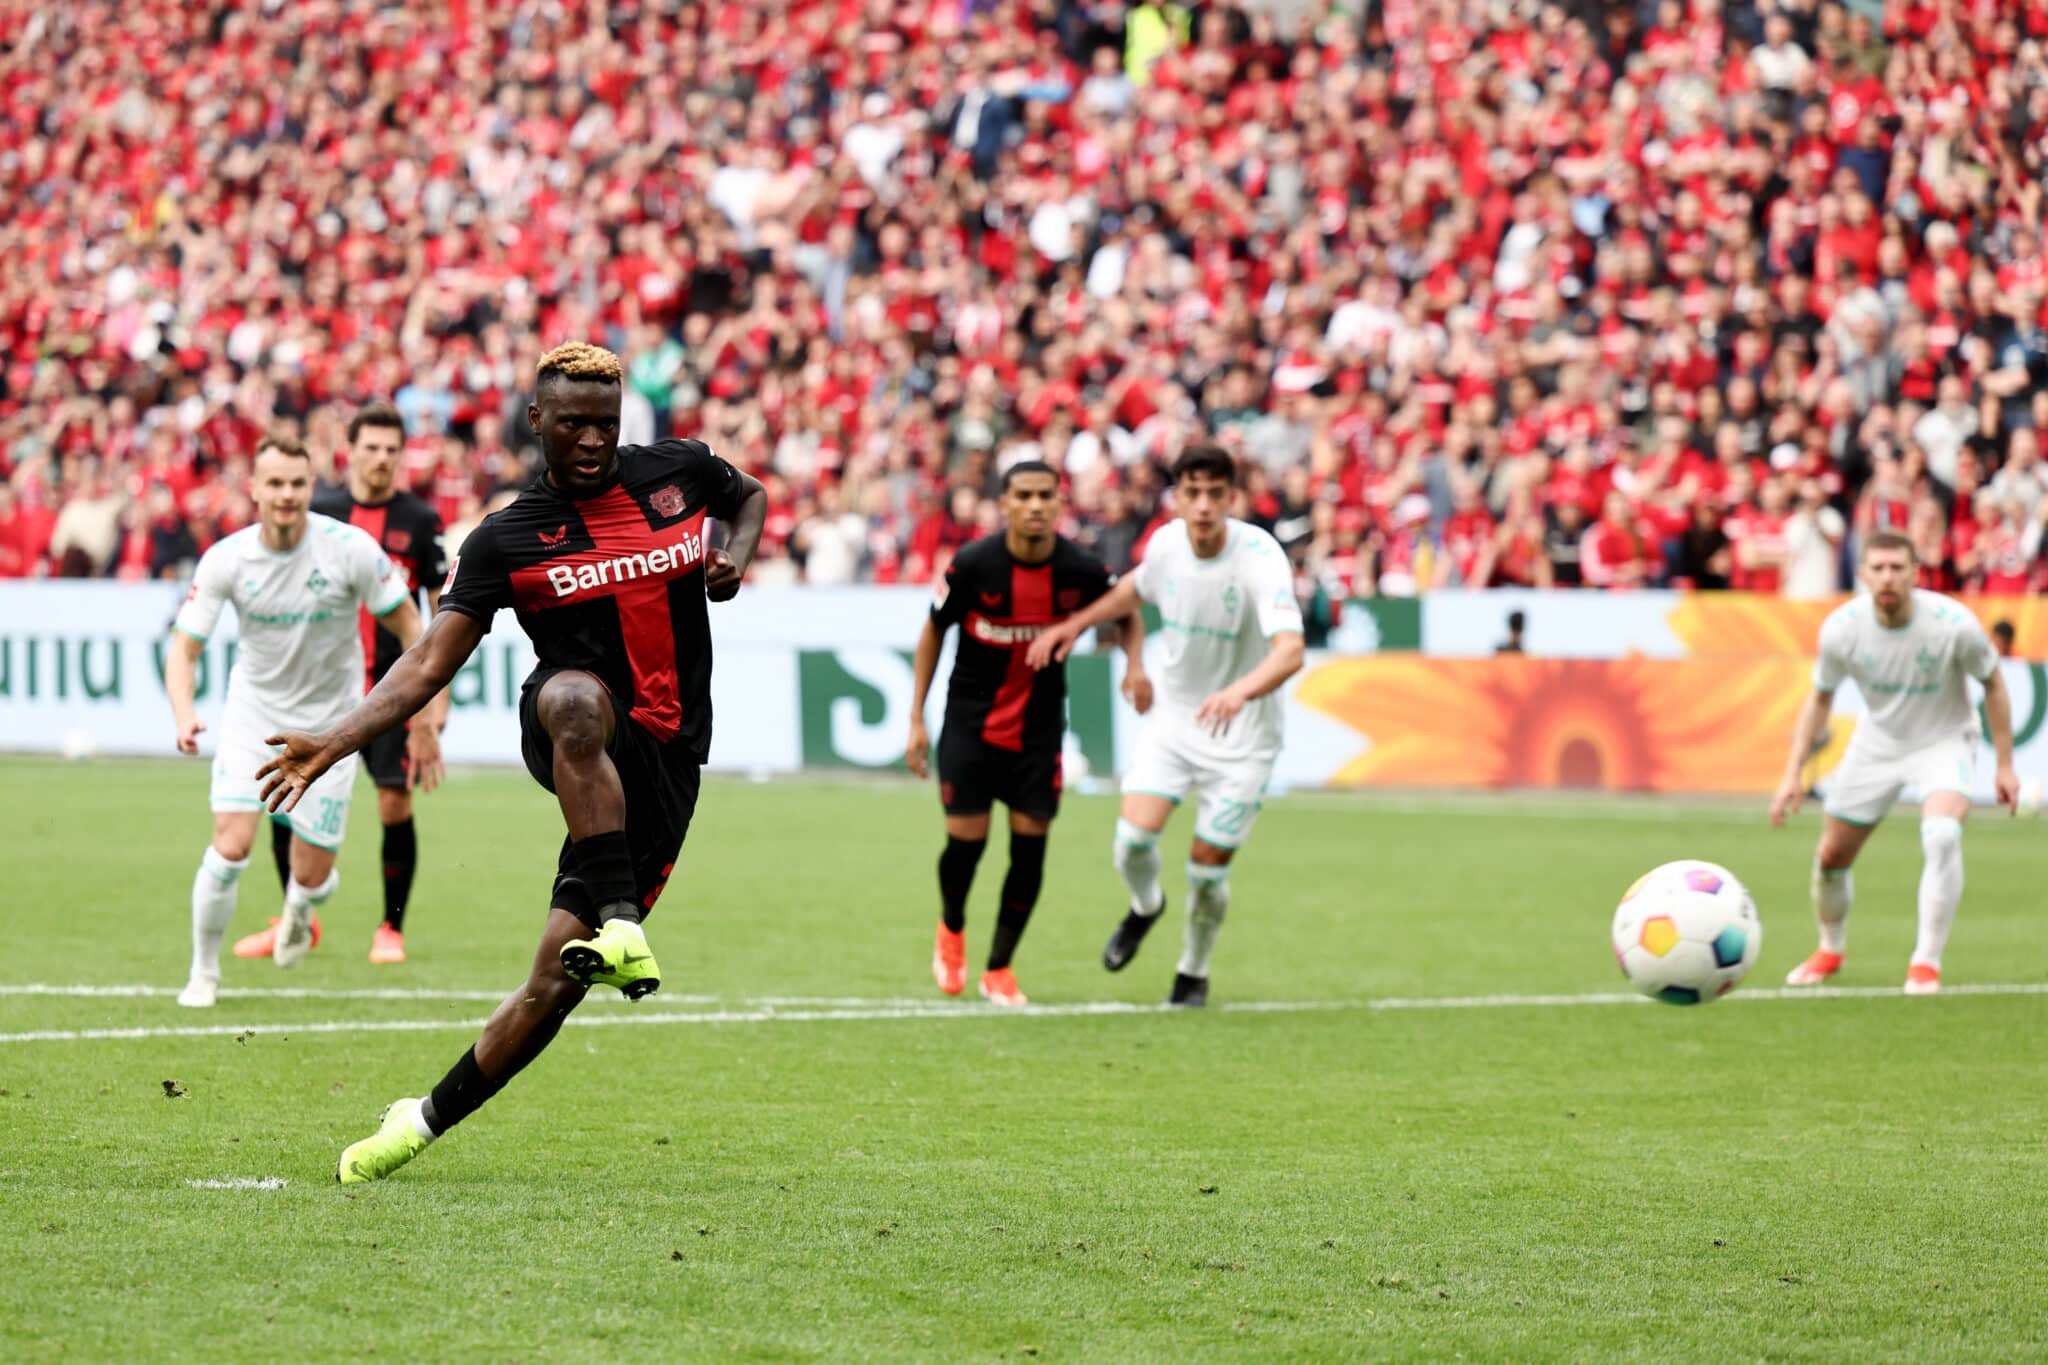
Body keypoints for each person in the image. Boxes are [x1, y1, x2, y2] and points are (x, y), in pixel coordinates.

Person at [257, 343, 767, 1182]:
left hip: (669, 759)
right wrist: (335, 738)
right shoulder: (506, 538)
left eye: (606, 424)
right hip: (573, 727)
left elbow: (746, 498)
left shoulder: (676, 472)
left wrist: (733, 558)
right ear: (537, 421)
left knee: (551, 987)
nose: (593, 441)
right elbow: (427, 664)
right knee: (572, 700)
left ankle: (418, 1120)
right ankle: (624, 920)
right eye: (574, 424)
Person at [1026, 444, 1305, 1007]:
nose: (1202, 506)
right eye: (1191, 493)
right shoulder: (1166, 544)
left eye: (1214, 495)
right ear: (1176, 497)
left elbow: (1291, 651)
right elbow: (1134, 590)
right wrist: (1073, 626)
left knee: (1205, 873)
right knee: (1130, 842)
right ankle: (1146, 905)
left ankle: (1192, 973)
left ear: (1231, 498)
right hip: (1175, 721)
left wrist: (1238, 691)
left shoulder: (1259, 556)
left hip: (1243, 735)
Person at [165, 433, 423, 1008]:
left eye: (296, 483)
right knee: (229, 848)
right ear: (254, 489)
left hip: (332, 728)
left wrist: (409, 710)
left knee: (313, 878)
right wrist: (184, 714)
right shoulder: (227, 559)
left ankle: (300, 911)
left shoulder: (350, 549)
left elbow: (413, 630)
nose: (285, 495)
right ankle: (202, 974)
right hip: (252, 717)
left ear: (312, 487)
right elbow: (183, 648)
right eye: (274, 483)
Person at [904, 461, 1149, 1006]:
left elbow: (1128, 609)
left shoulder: (1080, 568)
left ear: (1059, 504)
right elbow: (933, 630)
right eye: (1024, 496)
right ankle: (951, 929)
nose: (1036, 505)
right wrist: (917, 718)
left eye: (1046, 495)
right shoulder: (973, 564)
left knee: (1030, 852)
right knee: (966, 846)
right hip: (970, 725)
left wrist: (1134, 664)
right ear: (1006, 504)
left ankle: (1000, 968)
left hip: (1038, 734)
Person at [1769, 531, 2019, 995]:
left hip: (1944, 740)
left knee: (1942, 835)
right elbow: (1819, 700)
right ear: (1863, 574)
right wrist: (1792, 775)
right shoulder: (1842, 628)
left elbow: (1995, 684)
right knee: (1830, 857)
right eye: (1878, 568)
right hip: (1877, 744)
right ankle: (1830, 948)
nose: (1887, 577)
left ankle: (1925, 962)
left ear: (1914, 574)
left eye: (1896, 568)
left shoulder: (1953, 624)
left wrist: (2003, 764)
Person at [245, 403, 450, 964]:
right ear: (351, 451)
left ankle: (391, 928)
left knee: (393, 805)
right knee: (287, 798)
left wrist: (432, 712)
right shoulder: (322, 510)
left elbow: (439, 619)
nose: (381, 458)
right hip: (315, 688)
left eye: (391, 448)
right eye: (372, 447)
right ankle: (294, 922)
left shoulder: (421, 520)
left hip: (391, 692)